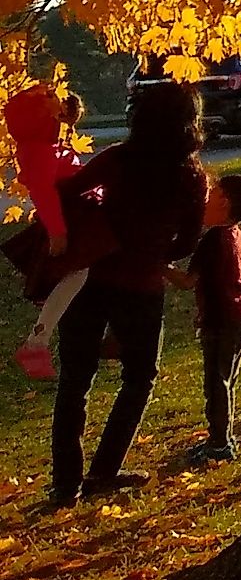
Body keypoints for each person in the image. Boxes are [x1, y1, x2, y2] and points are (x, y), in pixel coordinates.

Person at [48, 82, 209, 507]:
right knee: (139, 376)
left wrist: (94, 222)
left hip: (90, 276)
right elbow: (189, 240)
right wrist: (156, 252)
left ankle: (66, 481)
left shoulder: (118, 159)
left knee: (76, 379)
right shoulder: (190, 177)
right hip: (140, 284)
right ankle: (105, 468)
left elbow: (66, 193)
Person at [173, 172, 241, 466]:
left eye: (212, 192)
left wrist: (156, 263)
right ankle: (223, 437)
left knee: (216, 384)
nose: (204, 198)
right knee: (227, 381)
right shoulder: (236, 234)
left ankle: (219, 444)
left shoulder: (213, 239)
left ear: (223, 201)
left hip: (221, 321)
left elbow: (187, 281)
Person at [8, 84, 89, 382]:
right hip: (66, 223)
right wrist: (57, 232)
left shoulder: (46, 146)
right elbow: (44, 193)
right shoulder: (38, 150)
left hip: (75, 219)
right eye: (54, 116)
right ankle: (37, 342)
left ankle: (41, 341)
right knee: (77, 273)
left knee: (82, 276)